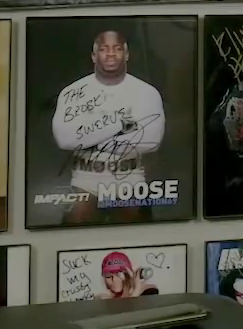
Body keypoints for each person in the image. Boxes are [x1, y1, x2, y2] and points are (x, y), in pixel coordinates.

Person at [51, 28, 167, 223]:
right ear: (94, 56)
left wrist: (88, 135)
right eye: (104, 49)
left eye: (117, 48)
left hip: (130, 181)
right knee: (75, 230)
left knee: (137, 234)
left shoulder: (147, 93)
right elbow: (65, 139)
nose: (111, 54)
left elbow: (151, 140)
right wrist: (121, 127)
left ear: (127, 55)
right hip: (85, 181)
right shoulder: (72, 92)